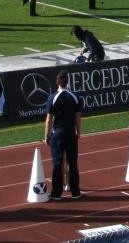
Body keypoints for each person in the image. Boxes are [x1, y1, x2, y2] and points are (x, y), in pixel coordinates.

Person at [43, 71, 82, 200]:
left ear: (57, 82)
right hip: (71, 132)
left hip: (58, 133)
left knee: (57, 163)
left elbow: (49, 119)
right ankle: (75, 191)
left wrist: (46, 136)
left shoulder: (52, 97)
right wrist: (79, 132)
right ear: (67, 82)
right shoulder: (74, 96)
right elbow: (78, 117)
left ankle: (56, 193)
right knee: (72, 162)